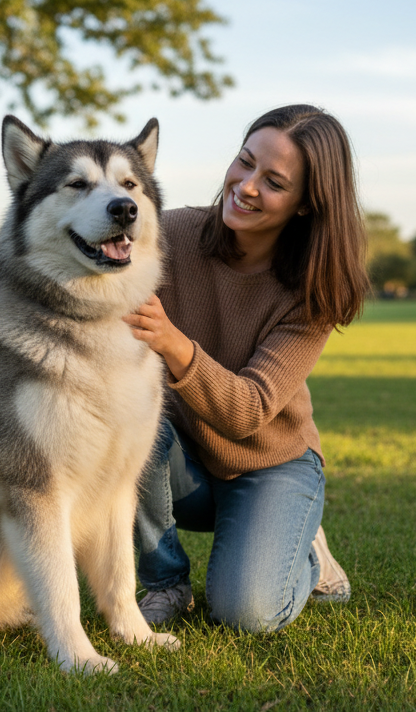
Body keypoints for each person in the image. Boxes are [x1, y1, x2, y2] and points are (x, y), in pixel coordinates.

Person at [122, 104, 370, 632]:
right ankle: (165, 584)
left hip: (269, 464)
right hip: (184, 464)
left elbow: (249, 411)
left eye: (274, 182)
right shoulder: (169, 235)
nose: (246, 185)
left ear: (306, 205)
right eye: (245, 161)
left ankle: (307, 551)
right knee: (126, 422)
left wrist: (172, 341)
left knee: (247, 614)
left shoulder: (314, 291)